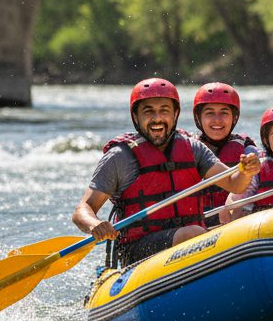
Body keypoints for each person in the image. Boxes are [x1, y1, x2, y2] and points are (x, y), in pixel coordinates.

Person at [72, 78, 260, 267]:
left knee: (195, 234)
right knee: (192, 233)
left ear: (175, 114)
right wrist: (94, 224)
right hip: (139, 249)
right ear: (136, 117)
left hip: (194, 242)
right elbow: (82, 210)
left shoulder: (193, 149)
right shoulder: (120, 157)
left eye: (164, 110)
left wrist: (246, 172)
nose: (157, 118)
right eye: (148, 111)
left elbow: (235, 185)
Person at [191, 82, 257, 216]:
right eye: (209, 113)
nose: (217, 120)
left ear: (235, 118)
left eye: (224, 113)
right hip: (197, 222)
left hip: (233, 220)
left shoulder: (247, 149)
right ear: (199, 118)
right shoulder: (188, 148)